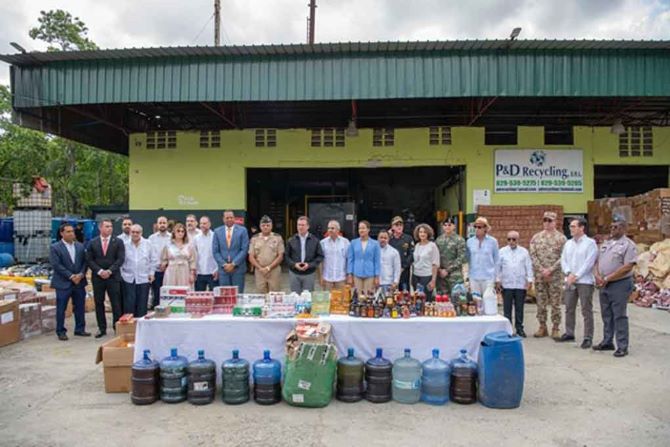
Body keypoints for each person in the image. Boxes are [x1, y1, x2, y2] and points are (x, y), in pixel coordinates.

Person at [594, 214, 638, 357]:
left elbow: (627, 266)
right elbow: (598, 261)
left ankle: (622, 346)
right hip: (604, 284)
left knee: (619, 315)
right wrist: (598, 275)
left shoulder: (628, 245)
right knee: (606, 314)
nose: (612, 229)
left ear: (624, 228)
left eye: (616, 227)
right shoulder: (606, 243)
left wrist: (608, 278)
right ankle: (607, 341)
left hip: (619, 284)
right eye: (611, 227)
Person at [558, 217, 598, 349]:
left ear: (582, 228)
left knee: (586, 309)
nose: (571, 229)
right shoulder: (568, 243)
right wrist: (569, 273)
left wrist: (577, 275)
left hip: (584, 281)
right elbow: (563, 260)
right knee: (569, 308)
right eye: (570, 226)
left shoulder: (590, 243)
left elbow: (589, 262)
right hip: (570, 279)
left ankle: (588, 337)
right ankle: (569, 333)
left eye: (574, 226)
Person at [529, 211, 567, 339]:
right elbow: (533, 255)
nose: (546, 223)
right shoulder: (536, 237)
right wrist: (541, 269)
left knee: (556, 302)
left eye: (549, 220)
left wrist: (551, 269)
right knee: (541, 302)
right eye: (544, 220)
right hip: (540, 276)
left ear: (555, 222)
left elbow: (564, 256)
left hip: (555, 276)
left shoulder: (561, 238)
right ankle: (542, 326)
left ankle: (556, 327)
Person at [49, 223, 89, 341]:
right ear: (62, 233)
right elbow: (56, 265)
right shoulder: (55, 247)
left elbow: (85, 262)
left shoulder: (80, 246)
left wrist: (81, 274)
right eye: (68, 232)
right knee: (61, 308)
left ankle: (80, 329)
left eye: (72, 231)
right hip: (63, 283)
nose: (71, 234)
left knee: (80, 307)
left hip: (79, 282)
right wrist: (71, 276)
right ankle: (61, 331)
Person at [86, 219, 125, 338]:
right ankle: (101, 328)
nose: (110, 228)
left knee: (116, 303)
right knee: (99, 302)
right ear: (100, 228)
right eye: (107, 226)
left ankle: (116, 327)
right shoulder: (92, 242)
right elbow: (89, 260)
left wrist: (109, 271)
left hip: (113, 277)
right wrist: (99, 271)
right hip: (98, 277)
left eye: (111, 226)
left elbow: (120, 259)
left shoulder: (118, 242)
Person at [496, 231, 534, 338]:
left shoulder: (524, 252)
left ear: (518, 240)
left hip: (520, 284)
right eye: (509, 239)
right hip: (507, 284)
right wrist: (497, 280)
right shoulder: (502, 251)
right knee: (507, 309)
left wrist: (530, 280)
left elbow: (528, 266)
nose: (511, 241)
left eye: (514, 239)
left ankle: (519, 328)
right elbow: (498, 267)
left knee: (519, 308)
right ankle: (507, 329)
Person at [121, 224, 154, 317]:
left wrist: (151, 273)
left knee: (142, 304)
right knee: (129, 304)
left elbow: (153, 260)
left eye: (137, 232)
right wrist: (122, 274)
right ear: (130, 232)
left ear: (141, 233)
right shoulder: (125, 245)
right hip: (128, 278)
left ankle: (141, 324)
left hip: (144, 278)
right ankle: (129, 324)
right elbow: (121, 261)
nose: (135, 234)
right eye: (133, 232)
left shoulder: (148, 244)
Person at [212, 210, 250, 292]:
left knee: (238, 294)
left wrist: (233, 264)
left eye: (231, 217)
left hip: (238, 269)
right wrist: (224, 264)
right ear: (223, 219)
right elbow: (215, 251)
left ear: (234, 218)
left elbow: (244, 249)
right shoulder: (217, 231)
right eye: (227, 218)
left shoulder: (242, 230)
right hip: (223, 270)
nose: (229, 219)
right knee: (225, 295)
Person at [285, 216, 324, 293]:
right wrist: (294, 264)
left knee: (308, 297)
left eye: (303, 225)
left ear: (308, 226)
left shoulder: (315, 240)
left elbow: (320, 256)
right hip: (294, 273)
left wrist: (309, 265)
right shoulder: (291, 240)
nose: (300, 227)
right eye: (299, 225)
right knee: (295, 296)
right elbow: (286, 256)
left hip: (309, 273)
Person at [248, 215, 285, 293]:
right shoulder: (254, 238)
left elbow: (280, 256)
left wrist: (268, 268)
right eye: (263, 225)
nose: (265, 227)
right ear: (260, 226)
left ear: (271, 226)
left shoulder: (277, 238)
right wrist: (261, 269)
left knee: (275, 294)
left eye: (268, 225)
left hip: (274, 271)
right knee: (260, 295)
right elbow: (251, 257)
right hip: (259, 271)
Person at [466, 217, 499, 296]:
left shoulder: (493, 241)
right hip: (473, 277)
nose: (477, 229)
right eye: (475, 227)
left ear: (485, 228)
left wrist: (497, 278)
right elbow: (467, 260)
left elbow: (497, 260)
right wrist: (467, 277)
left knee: (488, 300)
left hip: (488, 277)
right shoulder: (469, 241)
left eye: (479, 227)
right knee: (476, 300)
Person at [347, 220, 381, 292]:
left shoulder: (375, 244)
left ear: (368, 229)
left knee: (368, 295)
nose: (361, 230)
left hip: (370, 274)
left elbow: (377, 261)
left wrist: (377, 276)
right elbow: (350, 259)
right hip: (356, 274)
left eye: (363, 228)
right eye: (359, 228)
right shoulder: (353, 243)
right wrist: (349, 274)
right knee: (356, 295)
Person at [435, 217, 467, 294]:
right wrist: (439, 270)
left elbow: (461, 258)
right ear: (442, 227)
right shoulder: (438, 240)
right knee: (442, 299)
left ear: (454, 226)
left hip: (455, 276)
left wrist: (447, 270)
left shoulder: (460, 240)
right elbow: (435, 257)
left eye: (449, 225)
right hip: (441, 276)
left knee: (457, 298)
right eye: (445, 225)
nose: (447, 227)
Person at [412, 223, 440, 301]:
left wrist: (433, 280)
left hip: (427, 276)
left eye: (424, 232)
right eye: (420, 232)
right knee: (416, 299)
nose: (422, 234)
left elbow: (435, 264)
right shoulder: (417, 245)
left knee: (425, 300)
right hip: (416, 276)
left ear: (428, 233)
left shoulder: (432, 246)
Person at [148, 216, 171, 309]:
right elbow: (150, 254)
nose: (162, 225)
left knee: (168, 293)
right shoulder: (151, 238)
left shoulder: (172, 237)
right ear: (157, 225)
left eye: (164, 223)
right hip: (156, 270)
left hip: (169, 270)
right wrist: (158, 264)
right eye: (160, 223)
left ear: (167, 224)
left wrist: (166, 263)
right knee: (157, 294)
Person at [320, 220, 350, 290]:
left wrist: (349, 275)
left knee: (341, 297)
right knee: (327, 297)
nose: (330, 230)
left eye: (332, 228)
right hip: (327, 277)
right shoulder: (322, 243)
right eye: (328, 228)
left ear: (338, 230)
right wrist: (321, 276)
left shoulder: (345, 242)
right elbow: (320, 261)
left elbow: (348, 259)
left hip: (341, 277)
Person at [192, 216, 218, 291]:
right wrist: (194, 270)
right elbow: (194, 255)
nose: (202, 225)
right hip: (199, 272)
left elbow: (219, 253)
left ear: (209, 224)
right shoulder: (196, 238)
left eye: (204, 223)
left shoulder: (215, 236)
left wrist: (218, 269)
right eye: (201, 223)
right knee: (199, 296)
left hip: (213, 272)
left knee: (214, 296)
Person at [389, 216, 414, 291]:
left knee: (404, 292)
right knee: (391, 293)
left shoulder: (408, 238)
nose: (399, 227)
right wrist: (388, 234)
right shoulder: (389, 239)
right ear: (392, 227)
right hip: (391, 270)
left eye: (401, 225)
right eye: (396, 225)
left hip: (404, 271)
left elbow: (412, 254)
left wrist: (403, 267)